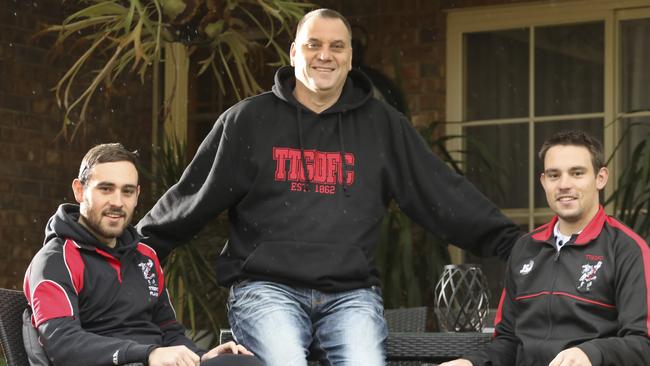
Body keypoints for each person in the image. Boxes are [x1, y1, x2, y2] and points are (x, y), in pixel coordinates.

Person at [137, 8, 522, 365]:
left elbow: (440, 191)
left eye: (337, 46)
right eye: (313, 44)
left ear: (350, 58)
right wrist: (131, 251)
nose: (325, 55)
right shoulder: (248, 121)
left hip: (350, 294)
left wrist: (514, 245)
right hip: (267, 290)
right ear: (293, 53)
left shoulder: (382, 126)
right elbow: (192, 197)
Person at [23, 143, 261, 366]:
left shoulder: (145, 256)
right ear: (79, 190)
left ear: (137, 195)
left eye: (127, 192)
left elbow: (169, 331)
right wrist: (147, 354)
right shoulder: (55, 260)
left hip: (149, 359)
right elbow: (62, 343)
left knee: (244, 364)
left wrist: (201, 356)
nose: (117, 202)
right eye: (106, 189)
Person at [440, 130, 650, 366]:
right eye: (554, 175)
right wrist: (470, 363)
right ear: (543, 182)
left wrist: (591, 353)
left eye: (577, 173)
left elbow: (643, 344)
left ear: (600, 178)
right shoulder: (526, 248)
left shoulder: (626, 249)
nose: (564, 185)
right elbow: (509, 341)